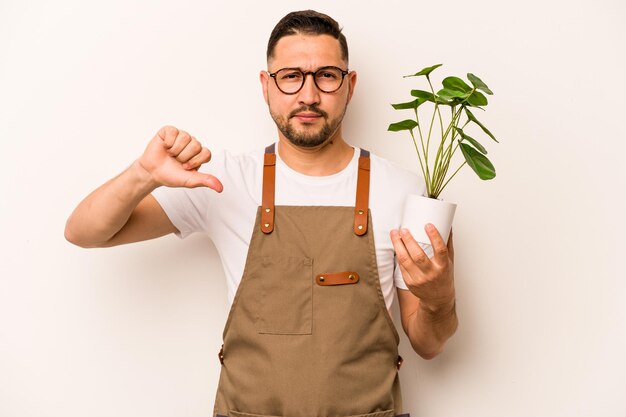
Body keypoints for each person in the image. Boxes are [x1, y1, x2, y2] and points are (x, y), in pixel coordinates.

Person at [65, 10, 457, 417]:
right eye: (290, 76)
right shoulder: (223, 181)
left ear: (349, 84)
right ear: (266, 86)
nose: (308, 95)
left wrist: (439, 300)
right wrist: (143, 174)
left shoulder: (406, 191)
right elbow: (84, 232)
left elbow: (428, 345)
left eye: (326, 75)